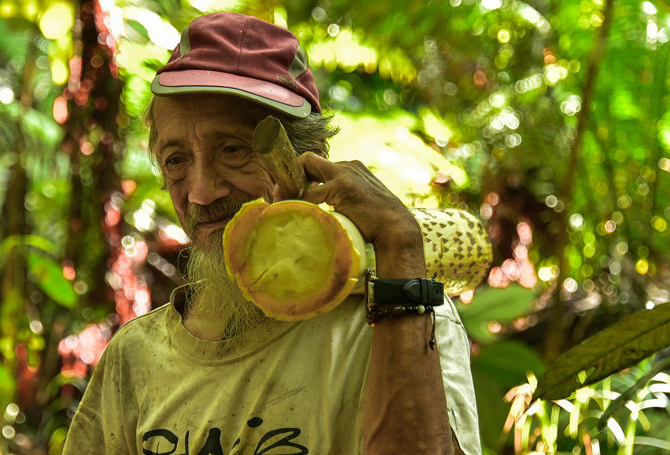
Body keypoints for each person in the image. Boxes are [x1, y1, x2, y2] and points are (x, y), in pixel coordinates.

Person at [63, 12, 480, 455]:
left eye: (233, 150)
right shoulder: (135, 358)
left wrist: (400, 245)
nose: (201, 194)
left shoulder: (395, 319)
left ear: (310, 158)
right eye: (176, 159)